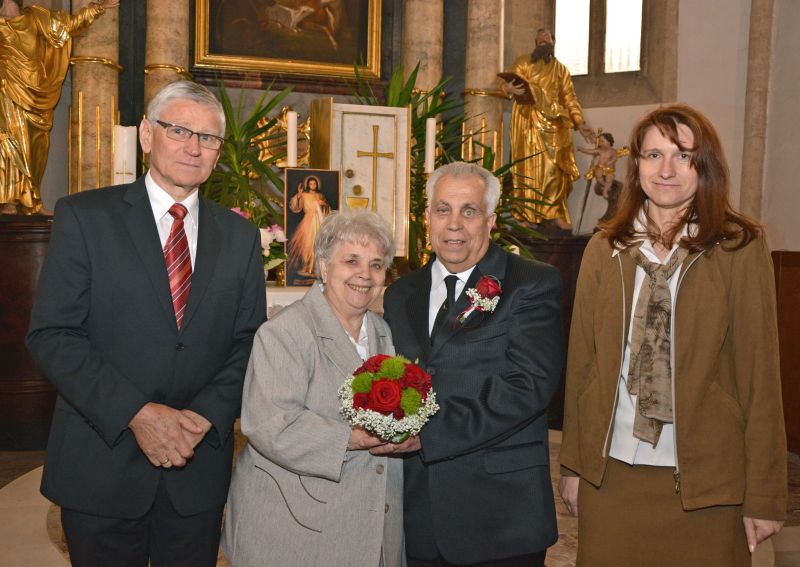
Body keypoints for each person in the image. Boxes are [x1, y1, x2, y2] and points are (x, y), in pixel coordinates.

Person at [26, 80, 266, 567]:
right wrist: (138, 413)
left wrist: (203, 416)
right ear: (145, 135)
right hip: (102, 461)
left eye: (208, 137)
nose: (193, 147)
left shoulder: (240, 236)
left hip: (197, 466)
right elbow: (53, 335)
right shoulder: (85, 217)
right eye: (179, 130)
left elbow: (250, 342)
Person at [558, 104, 787, 566]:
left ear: (705, 167)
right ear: (637, 164)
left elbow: (760, 374)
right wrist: (573, 464)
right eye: (653, 155)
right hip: (611, 476)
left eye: (683, 156)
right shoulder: (605, 247)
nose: (666, 170)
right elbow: (583, 365)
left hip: (707, 482)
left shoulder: (738, 247)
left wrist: (764, 493)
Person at [378, 162, 565, 566]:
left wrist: (428, 434)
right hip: (419, 515)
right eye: (443, 209)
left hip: (501, 516)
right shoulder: (400, 294)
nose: (454, 224)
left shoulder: (531, 283)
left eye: (469, 211)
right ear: (427, 218)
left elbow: (528, 386)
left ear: (491, 220)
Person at [222, 210, 405, 567]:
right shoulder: (286, 332)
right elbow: (271, 424)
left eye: (376, 265)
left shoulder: (382, 331)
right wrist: (355, 438)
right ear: (323, 266)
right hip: (297, 527)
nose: (365, 275)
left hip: (368, 520)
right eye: (351, 261)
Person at [0, 0, 119, 215]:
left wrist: (97, 7)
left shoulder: (35, 17)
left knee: (36, 148)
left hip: (35, 95)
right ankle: (9, 200)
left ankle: (31, 200)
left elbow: (68, 25)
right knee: (10, 143)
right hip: (8, 92)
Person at [501, 28, 594, 230]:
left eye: (547, 37)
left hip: (554, 123)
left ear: (553, 42)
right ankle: (525, 215)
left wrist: (580, 123)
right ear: (536, 42)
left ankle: (554, 213)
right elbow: (506, 84)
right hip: (527, 122)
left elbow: (569, 98)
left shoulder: (561, 70)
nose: (544, 39)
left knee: (554, 169)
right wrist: (508, 89)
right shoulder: (523, 62)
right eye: (540, 37)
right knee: (527, 168)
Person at [288, 174, 331, 278]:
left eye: (314, 183)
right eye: (311, 183)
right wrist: (299, 195)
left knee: (317, 243)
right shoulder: (304, 195)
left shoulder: (320, 196)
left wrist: (323, 205)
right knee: (307, 244)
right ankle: (306, 266)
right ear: (308, 185)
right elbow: (295, 207)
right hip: (308, 221)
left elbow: (327, 209)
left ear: (317, 185)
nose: (313, 185)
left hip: (319, 220)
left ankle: (316, 268)